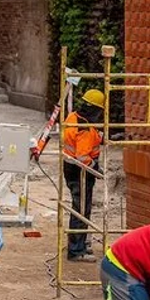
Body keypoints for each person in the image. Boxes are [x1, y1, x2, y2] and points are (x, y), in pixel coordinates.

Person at [62, 88, 105, 262]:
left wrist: (100, 137)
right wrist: (96, 169)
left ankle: (79, 242)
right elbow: (83, 156)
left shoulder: (74, 116)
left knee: (80, 206)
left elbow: (85, 138)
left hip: (71, 168)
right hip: (80, 171)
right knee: (81, 209)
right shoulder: (84, 127)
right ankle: (76, 250)